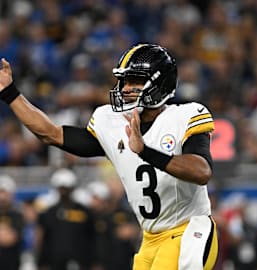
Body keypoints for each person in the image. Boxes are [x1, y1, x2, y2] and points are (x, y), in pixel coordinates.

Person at [0, 43, 218, 270]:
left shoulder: (186, 115)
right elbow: (51, 134)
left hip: (189, 229)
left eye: (135, 81)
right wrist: (10, 94)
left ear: (160, 83)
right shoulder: (110, 123)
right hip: (151, 239)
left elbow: (201, 172)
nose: (125, 89)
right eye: (124, 81)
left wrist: (145, 151)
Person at [36, 168, 96, 270]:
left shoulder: (85, 212)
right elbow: (43, 238)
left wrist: (95, 261)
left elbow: (92, 237)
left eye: (66, 188)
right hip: (54, 262)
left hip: (81, 262)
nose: (64, 192)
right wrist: (41, 262)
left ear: (72, 188)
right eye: (61, 188)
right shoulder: (49, 212)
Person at [0, 174, 24, 270]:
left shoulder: (17, 215)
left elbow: (10, 239)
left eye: (4, 192)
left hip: (11, 263)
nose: (2, 197)